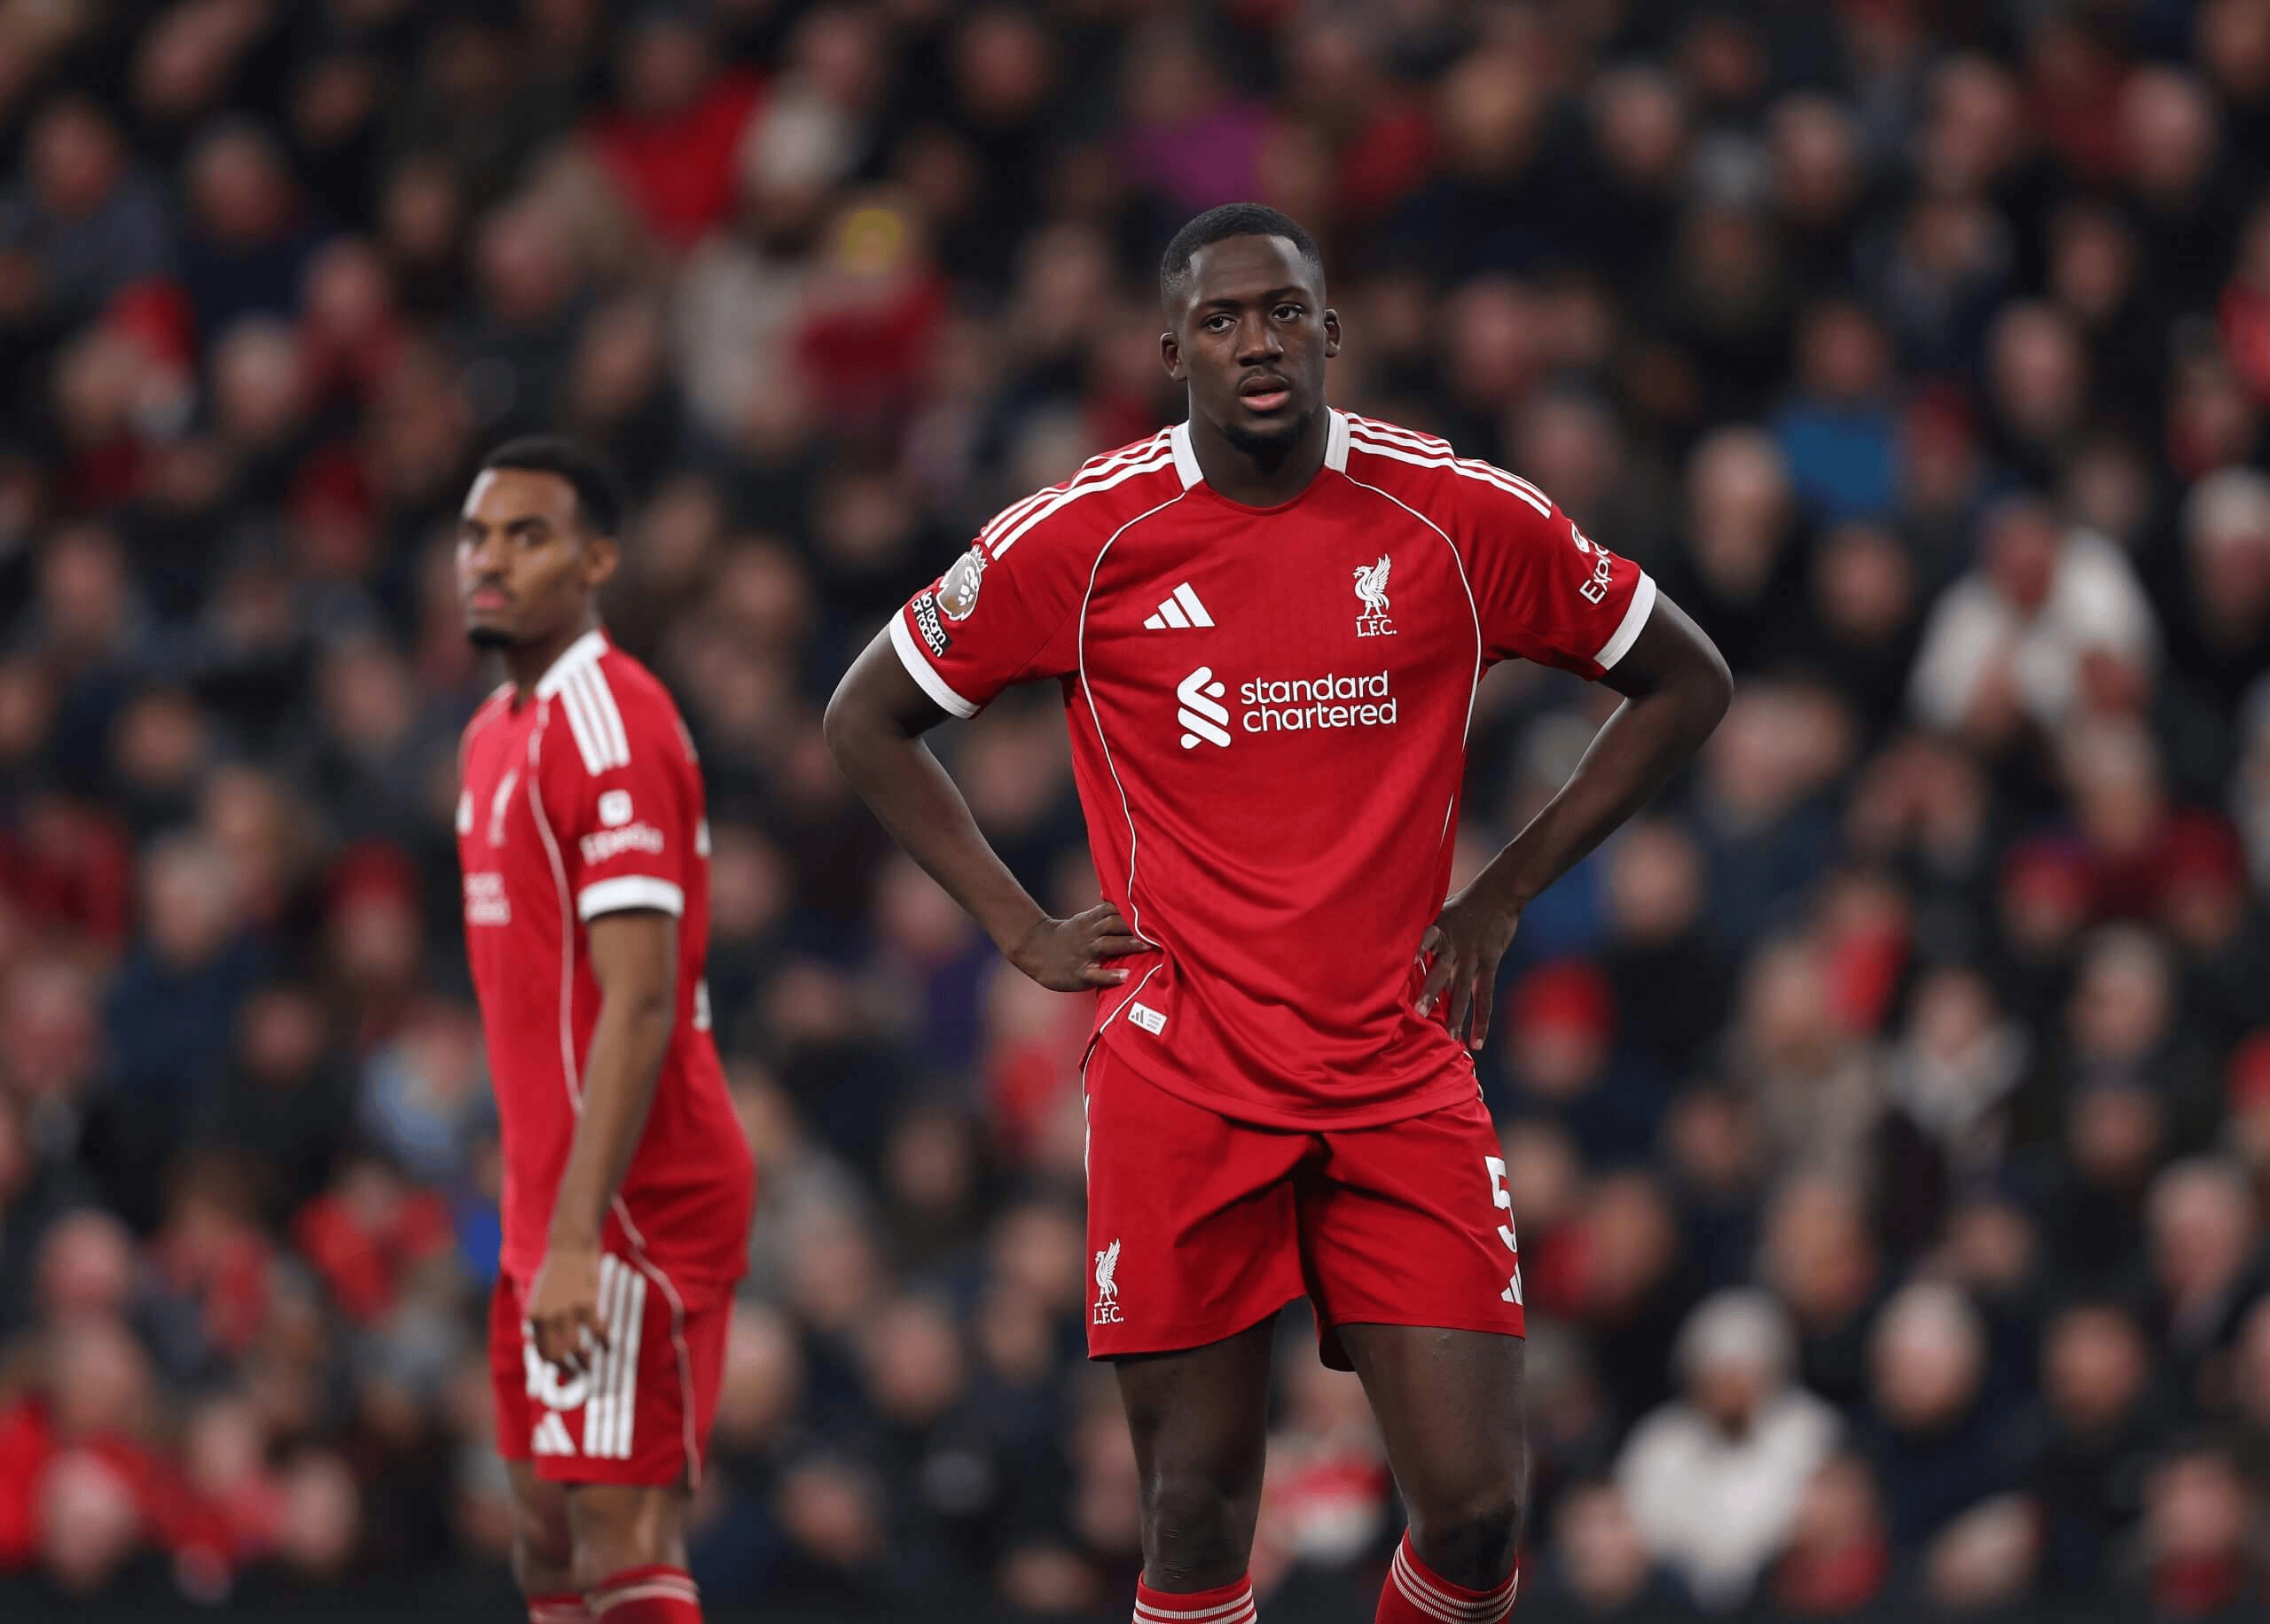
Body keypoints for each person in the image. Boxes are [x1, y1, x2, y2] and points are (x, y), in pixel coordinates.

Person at [826, 203, 1731, 1623]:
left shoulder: (1453, 515)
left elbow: (1687, 679)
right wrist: (1015, 926)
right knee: (1194, 1523)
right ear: (1169, 349)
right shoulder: (1087, 535)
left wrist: (1502, 891)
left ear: (1331, 332)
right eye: (1223, 319)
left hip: (1396, 1061)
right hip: (1186, 1073)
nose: (1258, 342)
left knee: (1480, 1521)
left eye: (1285, 312)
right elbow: (866, 716)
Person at [454, 437, 755, 1624]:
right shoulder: (492, 733)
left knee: (619, 1537)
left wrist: (578, 1232)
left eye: (528, 536)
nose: (491, 560)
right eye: (478, 535)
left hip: (638, 1193)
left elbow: (640, 998)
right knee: (544, 1534)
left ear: (597, 561)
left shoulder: (612, 719)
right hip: (549, 1200)